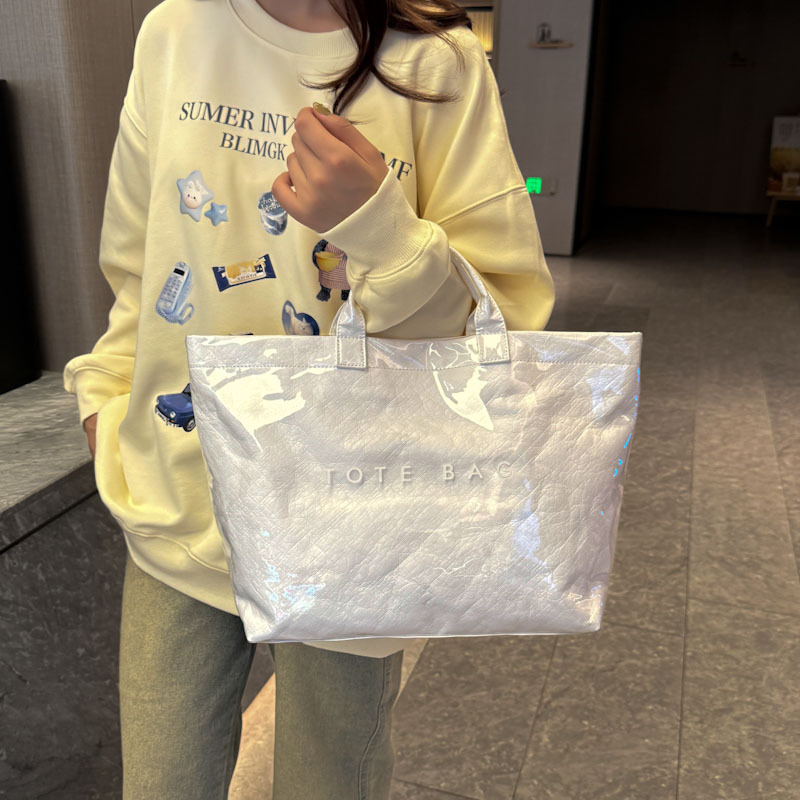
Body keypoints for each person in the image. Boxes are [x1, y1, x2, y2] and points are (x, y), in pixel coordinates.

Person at [64, 0, 555, 797]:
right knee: (160, 782)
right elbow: (136, 261)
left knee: (329, 782)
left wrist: (381, 229)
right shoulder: (175, 31)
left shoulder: (437, 61)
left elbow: (504, 317)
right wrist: (106, 396)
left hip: (351, 514)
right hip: (179, 488)